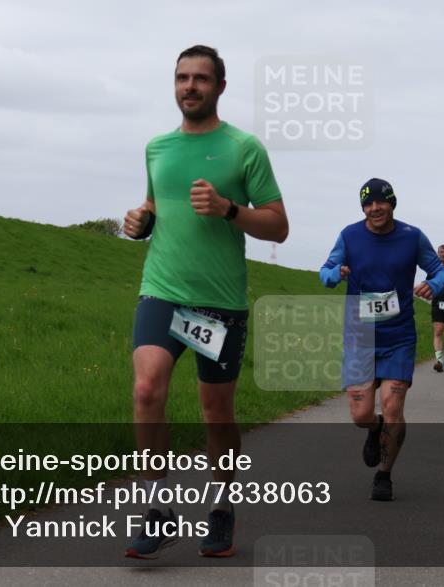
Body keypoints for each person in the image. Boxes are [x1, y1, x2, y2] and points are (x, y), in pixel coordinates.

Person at [123, 45, 289, 559]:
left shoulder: (244, 148)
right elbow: (156, 204)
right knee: (147, 387)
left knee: (216, 412)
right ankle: (158, 509)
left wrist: (228, 209)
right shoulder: (156, 148)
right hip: (162, 291)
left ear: (219, 86)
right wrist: (141, 221)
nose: (189, 86)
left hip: (218, 304)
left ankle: (221, 508)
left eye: (200, 78)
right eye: (181, 78)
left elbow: (278, 225)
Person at [320, 178, 444, 501]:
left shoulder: (411, 237)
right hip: (359, 336)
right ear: (363, 207)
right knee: (360, 415)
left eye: (381, 202)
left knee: (393, 406)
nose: (375, 208)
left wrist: (434, 285)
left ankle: (384, 475)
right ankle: (374, 428)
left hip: (399, 336)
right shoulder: (349, 236)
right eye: (368, 203)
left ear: (392, 203)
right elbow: (325, 271)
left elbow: (440, 271)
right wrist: (336, 275)